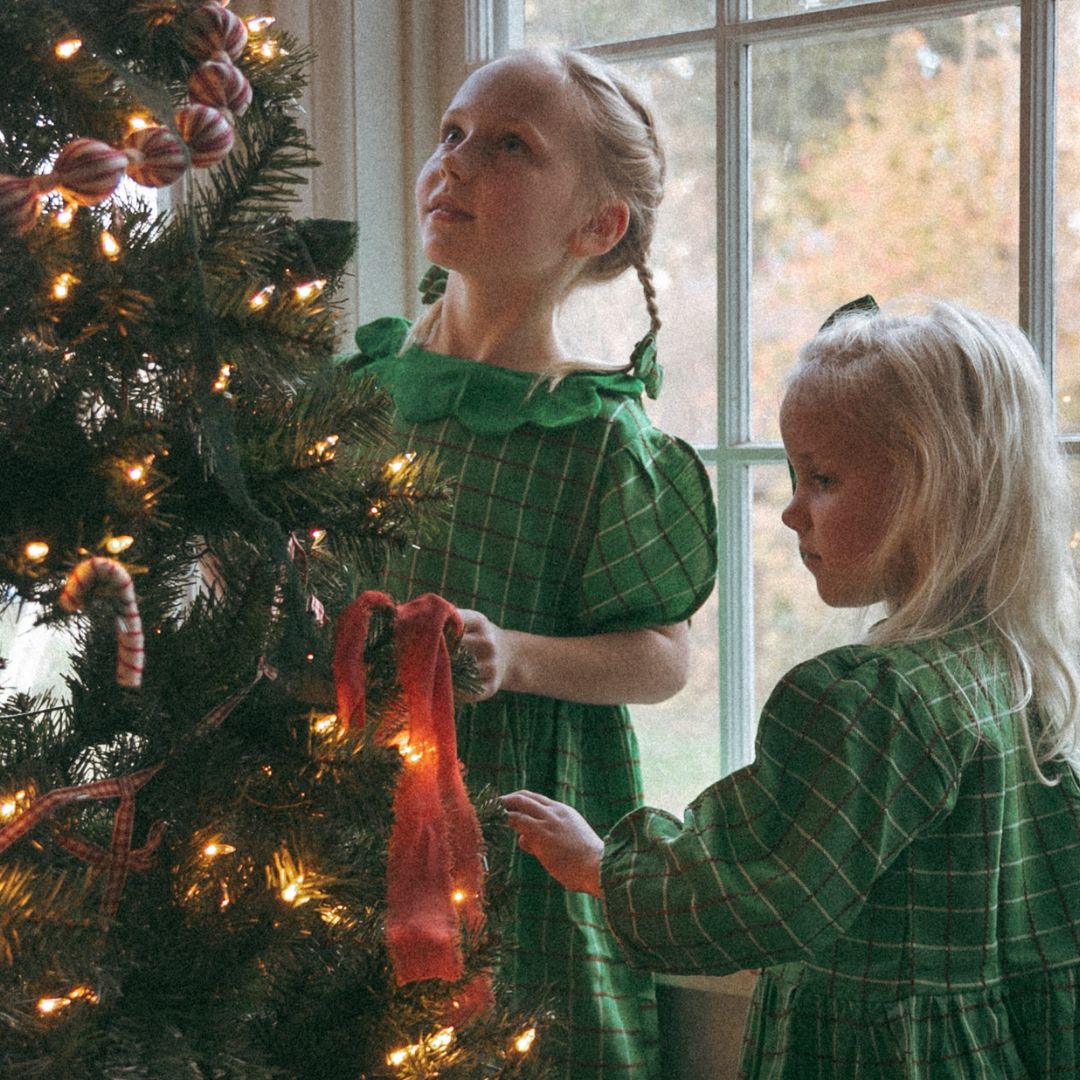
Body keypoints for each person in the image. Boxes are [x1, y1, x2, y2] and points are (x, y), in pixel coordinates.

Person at [503, 299, 1080, 1078]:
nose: (790, 511)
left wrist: (602, 868)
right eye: (793, 475)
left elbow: (765, 888)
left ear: (934, 491)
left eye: (824, 479)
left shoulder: (869, 698)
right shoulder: (1008, 665)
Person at [341, 47, 717, 1078]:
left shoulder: (599, 439)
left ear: (598, 226)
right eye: (452, 133)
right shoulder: (353, 395)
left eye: (509, 146)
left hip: (514, 839)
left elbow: (665, 659)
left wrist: (515, 655)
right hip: (326, 816)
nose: (455, 162)